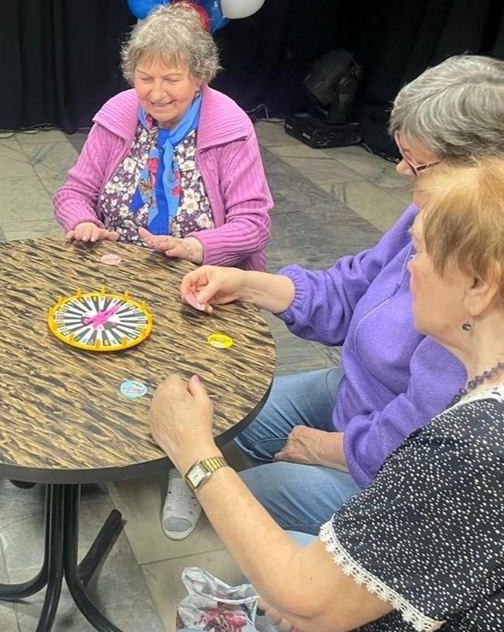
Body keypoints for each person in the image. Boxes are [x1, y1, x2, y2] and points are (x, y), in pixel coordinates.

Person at [150, 158, 504, 631]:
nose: (409, 269)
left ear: (479, 286)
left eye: (420, 254)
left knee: (258, 545)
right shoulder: (481, 398)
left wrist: (192, 448)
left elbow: (308, 599)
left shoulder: (471, 448)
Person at [178, 54, 504, 535]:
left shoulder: (480, 296)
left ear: (479, 168)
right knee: (228, 407)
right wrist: (245, 283)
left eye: (416, 162)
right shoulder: (434, 213)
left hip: (396, 462)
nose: (398, 170)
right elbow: (356, 284)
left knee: (242, 507)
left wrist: (331, 449)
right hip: (360, 395)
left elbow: (423, 428)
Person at [53, 2, 273, 539]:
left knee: (193, 371)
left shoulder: (230, 128)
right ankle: (89, 446)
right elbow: (74, 191)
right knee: (89, 353)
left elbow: (254, 224)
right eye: (144, 77)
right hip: (120, 267)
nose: (154, 92)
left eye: (170, 78)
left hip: (202, 278)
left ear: (200, 76)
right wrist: (83, 222)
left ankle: (189, 469)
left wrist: (198, 246)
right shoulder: (117, 114)